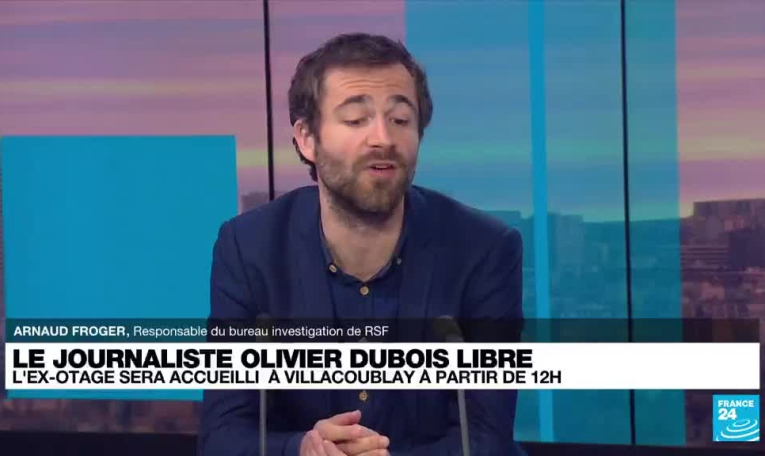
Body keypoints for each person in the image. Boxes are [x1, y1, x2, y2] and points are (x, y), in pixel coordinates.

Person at [198, 33, 525, 456]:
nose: (383, 138)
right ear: (306, 138)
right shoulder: (249, 250)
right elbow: (224, 436)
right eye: (356, 120)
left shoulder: (485, 250)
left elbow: (485, 437)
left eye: (400, 120)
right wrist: (302, 449)